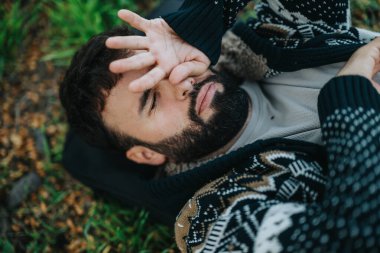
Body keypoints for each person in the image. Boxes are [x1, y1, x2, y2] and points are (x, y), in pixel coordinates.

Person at [60, 1, 380, 249]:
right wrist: (350, 97)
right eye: (152, 101)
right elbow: (353, 238)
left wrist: (202, 22)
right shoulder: (210, 221)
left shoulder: (275, 41)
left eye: (162, 68)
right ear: (146, 155)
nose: (179, 83)